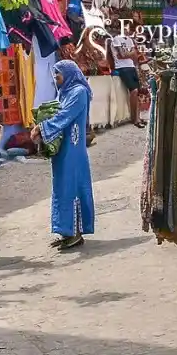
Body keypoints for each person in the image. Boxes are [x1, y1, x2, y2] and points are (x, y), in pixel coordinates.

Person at [31, 60, 95, 250]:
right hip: (63, 146)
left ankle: (75, 232)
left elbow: (65, 115)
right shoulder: (65, 92)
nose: (55, 79)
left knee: (71, 186)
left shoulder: (79, 92)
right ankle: (65, 231)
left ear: (67, 74)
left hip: (73, 147)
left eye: (58, 76)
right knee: (61, 187)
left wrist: (41, 128)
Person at [107, 26, 145, 128]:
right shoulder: (116, 39)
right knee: (134, 91)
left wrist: (129, 54)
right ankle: (135, 119)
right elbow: (122, 55)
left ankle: (137, 117)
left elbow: (134, 54)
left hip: (131, 66)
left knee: (137, 92)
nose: (128, 30)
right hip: (122, 67)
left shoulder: (129, 40)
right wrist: (130, 53)